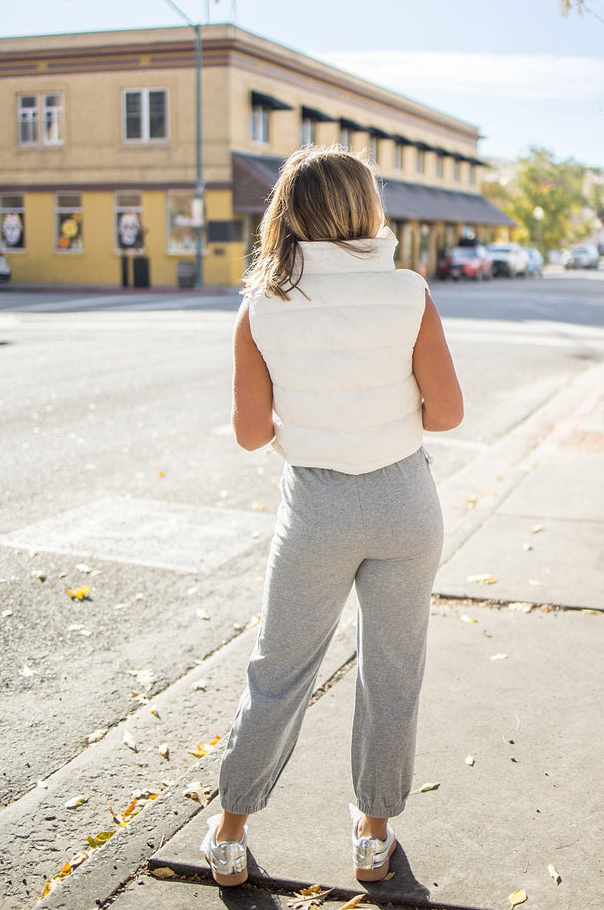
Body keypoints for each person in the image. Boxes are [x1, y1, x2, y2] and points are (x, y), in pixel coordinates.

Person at [201, 145, 463, 887]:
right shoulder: (409, 291)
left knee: (277, 673)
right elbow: (445, 412)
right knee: (392, 672)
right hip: (404, 506)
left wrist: (314, 432)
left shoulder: (261, 307)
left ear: (287, 213)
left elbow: (253, 434)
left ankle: (228, 834)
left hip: (315, 508)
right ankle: (373, 837)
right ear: (366, 209)